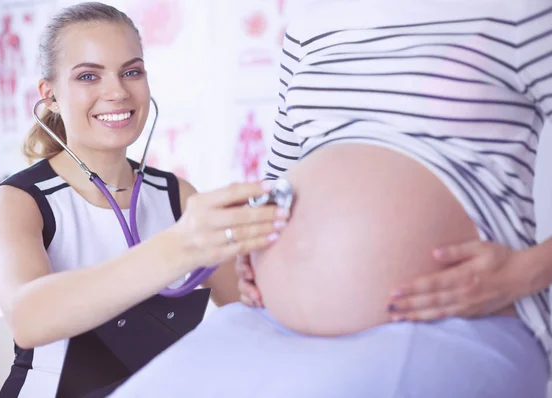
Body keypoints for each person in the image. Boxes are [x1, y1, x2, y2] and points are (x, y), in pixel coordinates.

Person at [110, 1, 552, 397]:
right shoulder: (309, 21)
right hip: (268, 324)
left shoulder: (519, 10)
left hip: (450, 322)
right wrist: (255, 244)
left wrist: (523, 272)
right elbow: (279, 173)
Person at [0, 3, 289, 397]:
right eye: (88, 76)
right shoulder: (20, 200)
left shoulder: (178, 196)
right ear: (51, 96)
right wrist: (177, 249)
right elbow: (28, 318)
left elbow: (257, 310)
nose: (117, 91)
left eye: (131, 71)